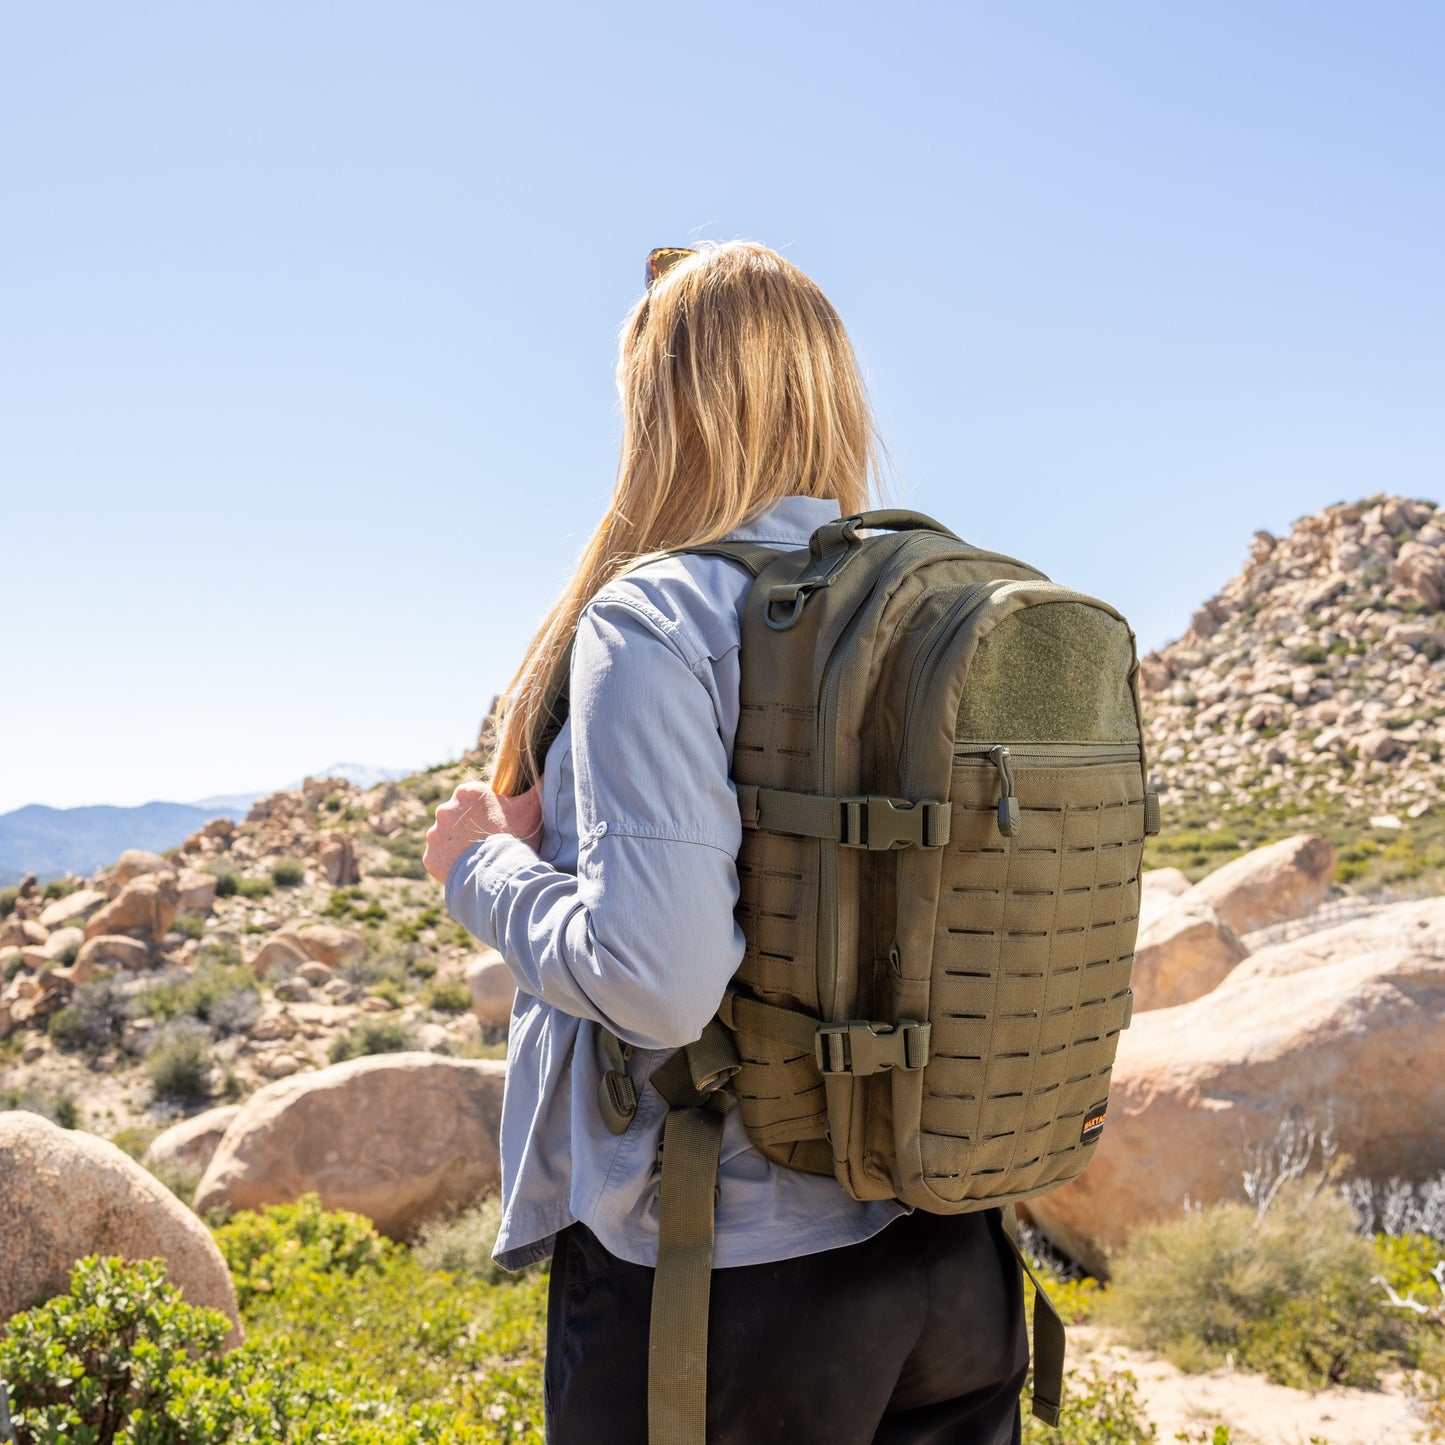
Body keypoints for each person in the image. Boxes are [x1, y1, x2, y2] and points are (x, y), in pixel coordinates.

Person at [424, 241, 1029, 1444]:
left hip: (726, 1279)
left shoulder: (658, 613)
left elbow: (658, 980)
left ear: (664, 404)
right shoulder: (923, 600)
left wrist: (480, 868)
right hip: (949, 1253)